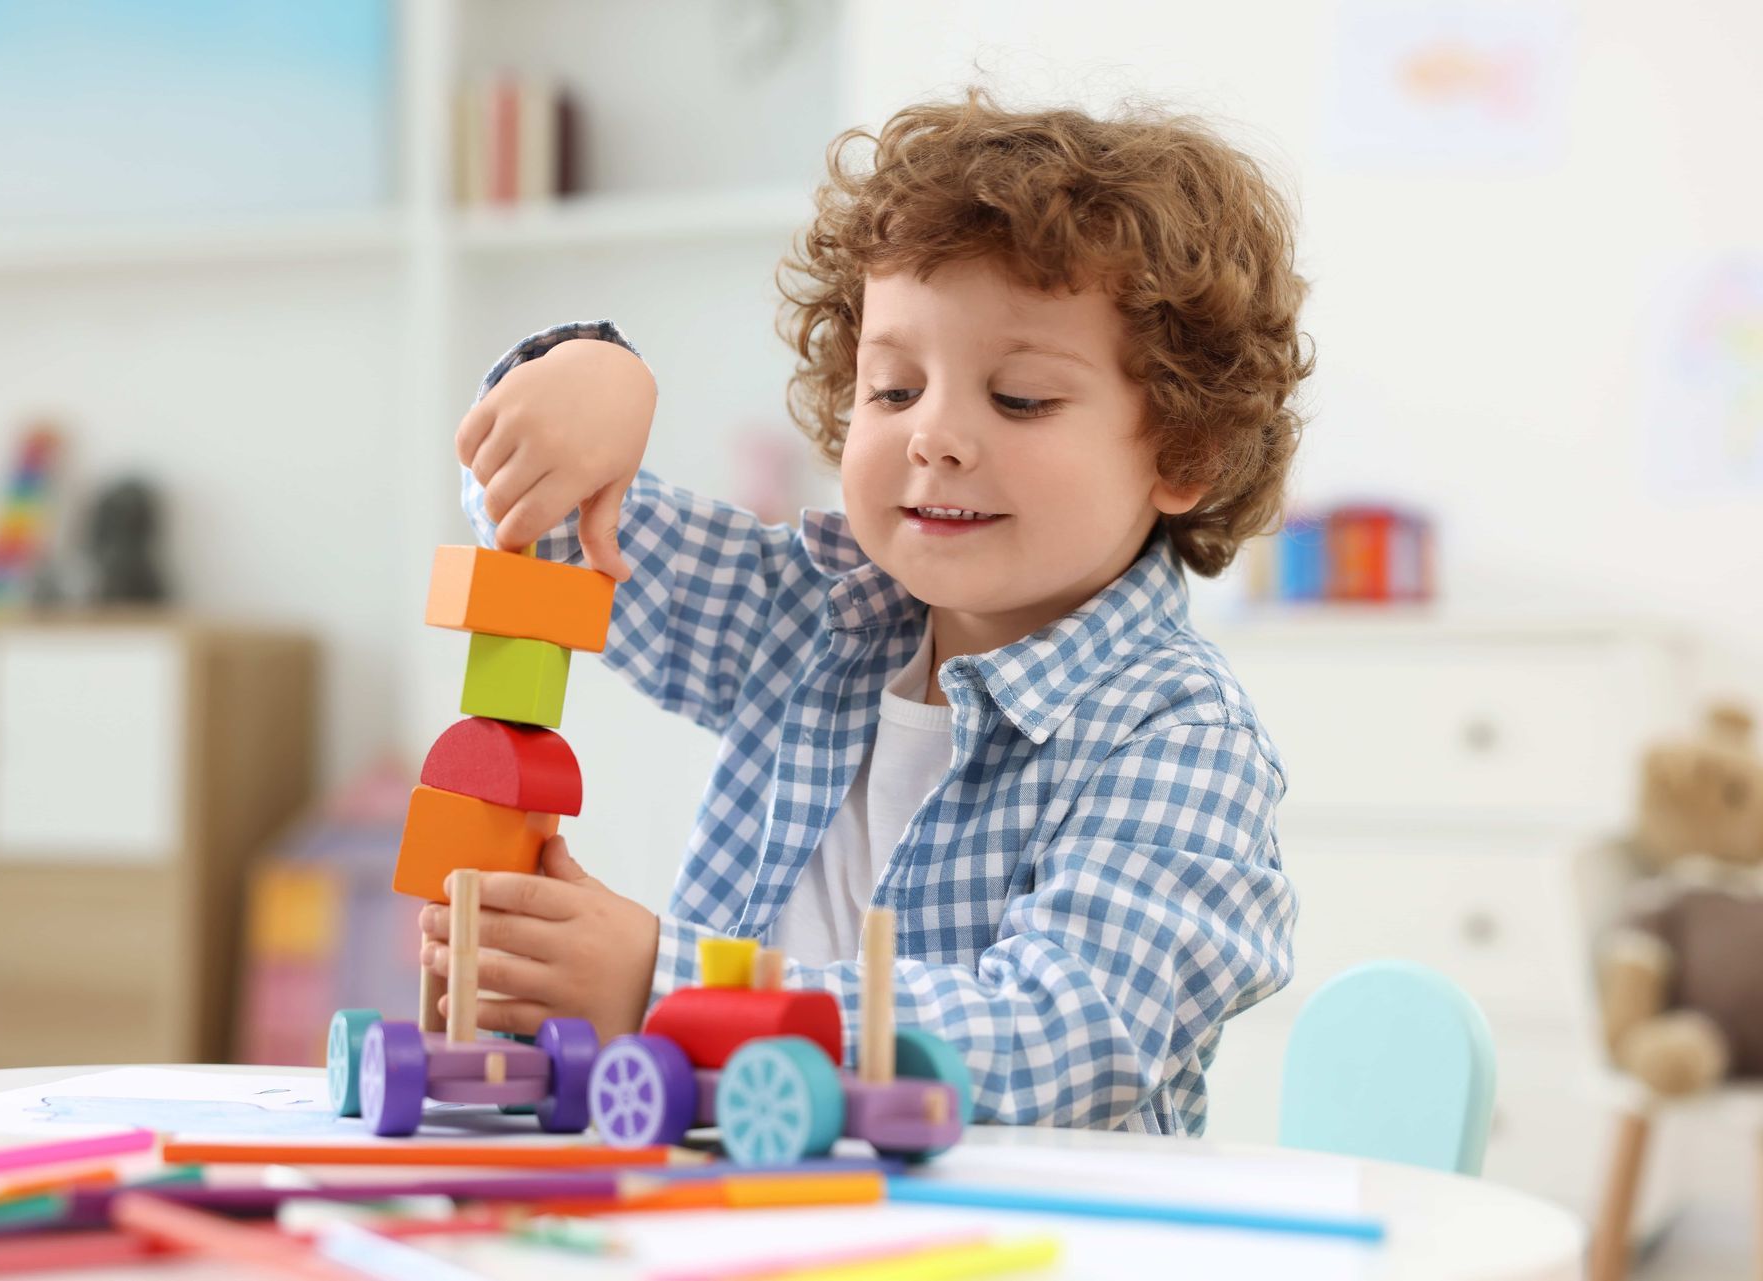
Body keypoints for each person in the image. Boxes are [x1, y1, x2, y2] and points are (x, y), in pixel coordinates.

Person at [420, 85, 1313, 1132]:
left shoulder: (1179, 736)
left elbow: (1057, 1045)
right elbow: (543, 524)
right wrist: (589, 372)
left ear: (1184, 452)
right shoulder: (814, 619)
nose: (932, 435)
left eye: (1019, 398)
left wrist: (664, 991)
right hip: (755, 1210)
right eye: (892, 389)